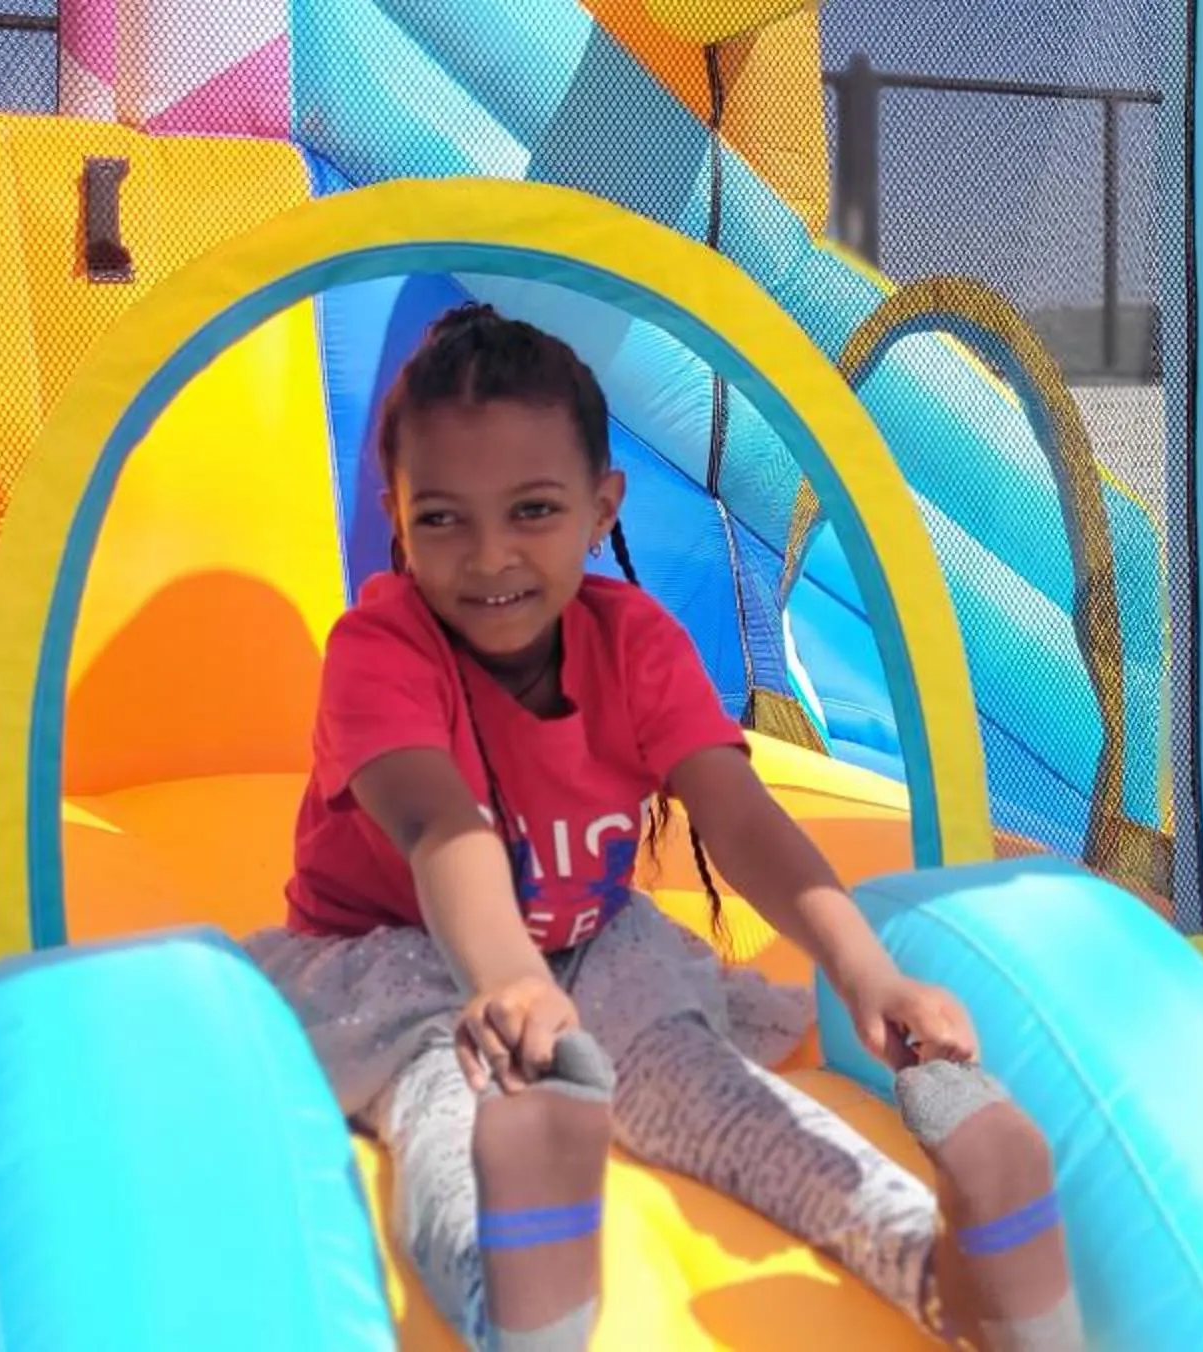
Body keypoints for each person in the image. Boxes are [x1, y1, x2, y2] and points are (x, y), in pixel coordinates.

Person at [243, 302, 1082, 1352]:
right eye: (444, 518)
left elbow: (740, 819)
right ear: (395, 514)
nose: (489, 554)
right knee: (449, 1097)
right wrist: (508, 979)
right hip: (398, 955)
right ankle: (516, 1292)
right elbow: (438, 826)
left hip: (589, 941)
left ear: (603, 508)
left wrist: (869, 971)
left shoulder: (633, 640)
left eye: (534, 510)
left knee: (710, 1093)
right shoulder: (380, 646)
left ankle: (945, 1267)